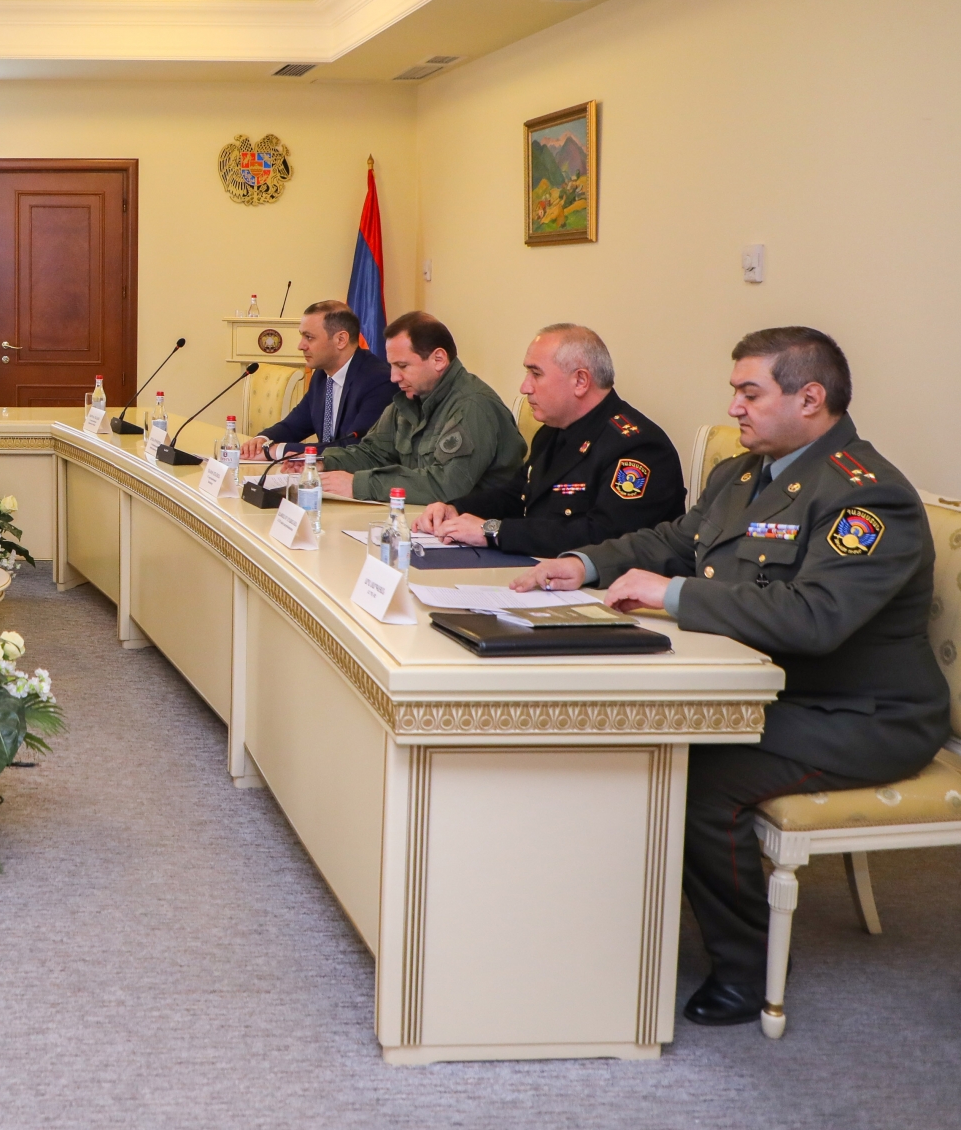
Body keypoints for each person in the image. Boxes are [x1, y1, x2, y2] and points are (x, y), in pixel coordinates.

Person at [513, 327, 946, 1027]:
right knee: (637, 742)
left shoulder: (868, 498)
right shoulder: (744, 474)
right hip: (764, 689)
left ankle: (746, 967)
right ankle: (618, 917)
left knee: (701, 782)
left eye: (750, 393)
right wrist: (583, 564)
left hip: (861, 715)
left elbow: (814, 619)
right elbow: (672, 541)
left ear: (810, 398)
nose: (734, 407)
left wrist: (672, 595)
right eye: (735, 391)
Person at [414, 323, 683, 556]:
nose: (524, 387)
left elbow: (605, 536)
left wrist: (494, 531)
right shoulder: (553, 432)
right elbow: (516, 494)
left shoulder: (637, 448)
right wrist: (456, 509)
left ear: (580, 381)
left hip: (606, 591)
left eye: (536, 374)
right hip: (545, 571)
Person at [314, 311, 524, 504]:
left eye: (402, 366)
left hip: (476, 526)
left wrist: (357, 485)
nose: (394, 377)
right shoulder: (410, 400)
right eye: (392, 366)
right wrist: (321, 462)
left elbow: (446, 485)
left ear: (438, 359)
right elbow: (373, 454)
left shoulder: (473, 406)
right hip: (424, 520)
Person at [240, 300, 397, 460]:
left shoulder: (379, 381)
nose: (301, 346)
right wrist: (263, 439)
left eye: (309, 337)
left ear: (341, 340)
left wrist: (279, 451)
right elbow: (294, 425)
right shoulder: (321, 376)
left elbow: (354, 448)